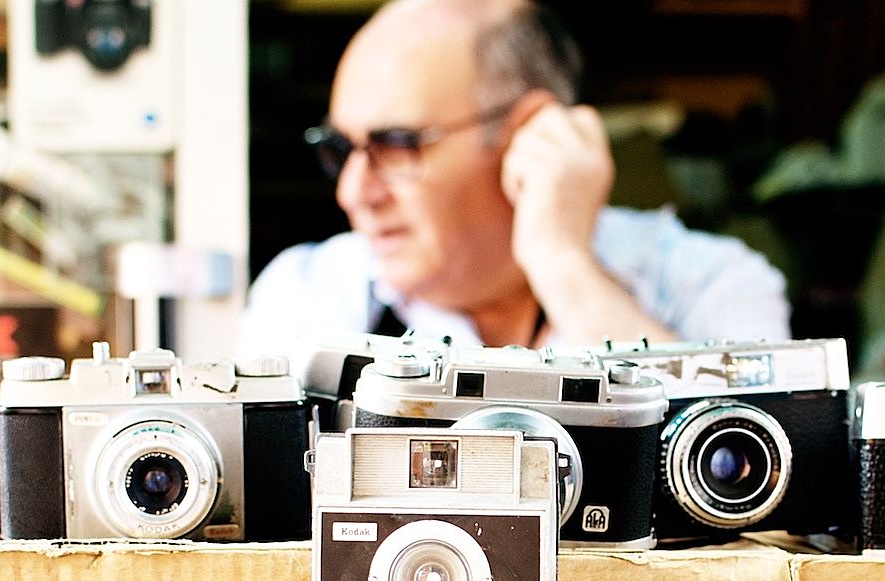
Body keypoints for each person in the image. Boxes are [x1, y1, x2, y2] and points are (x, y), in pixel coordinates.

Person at [240, 0, 792, 400]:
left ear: (529, 132)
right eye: (341, 149)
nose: (353, 192)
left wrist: (564, 265)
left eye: (397, 145)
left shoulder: (713, 285)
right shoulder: (307, 298)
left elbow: (743, 480)